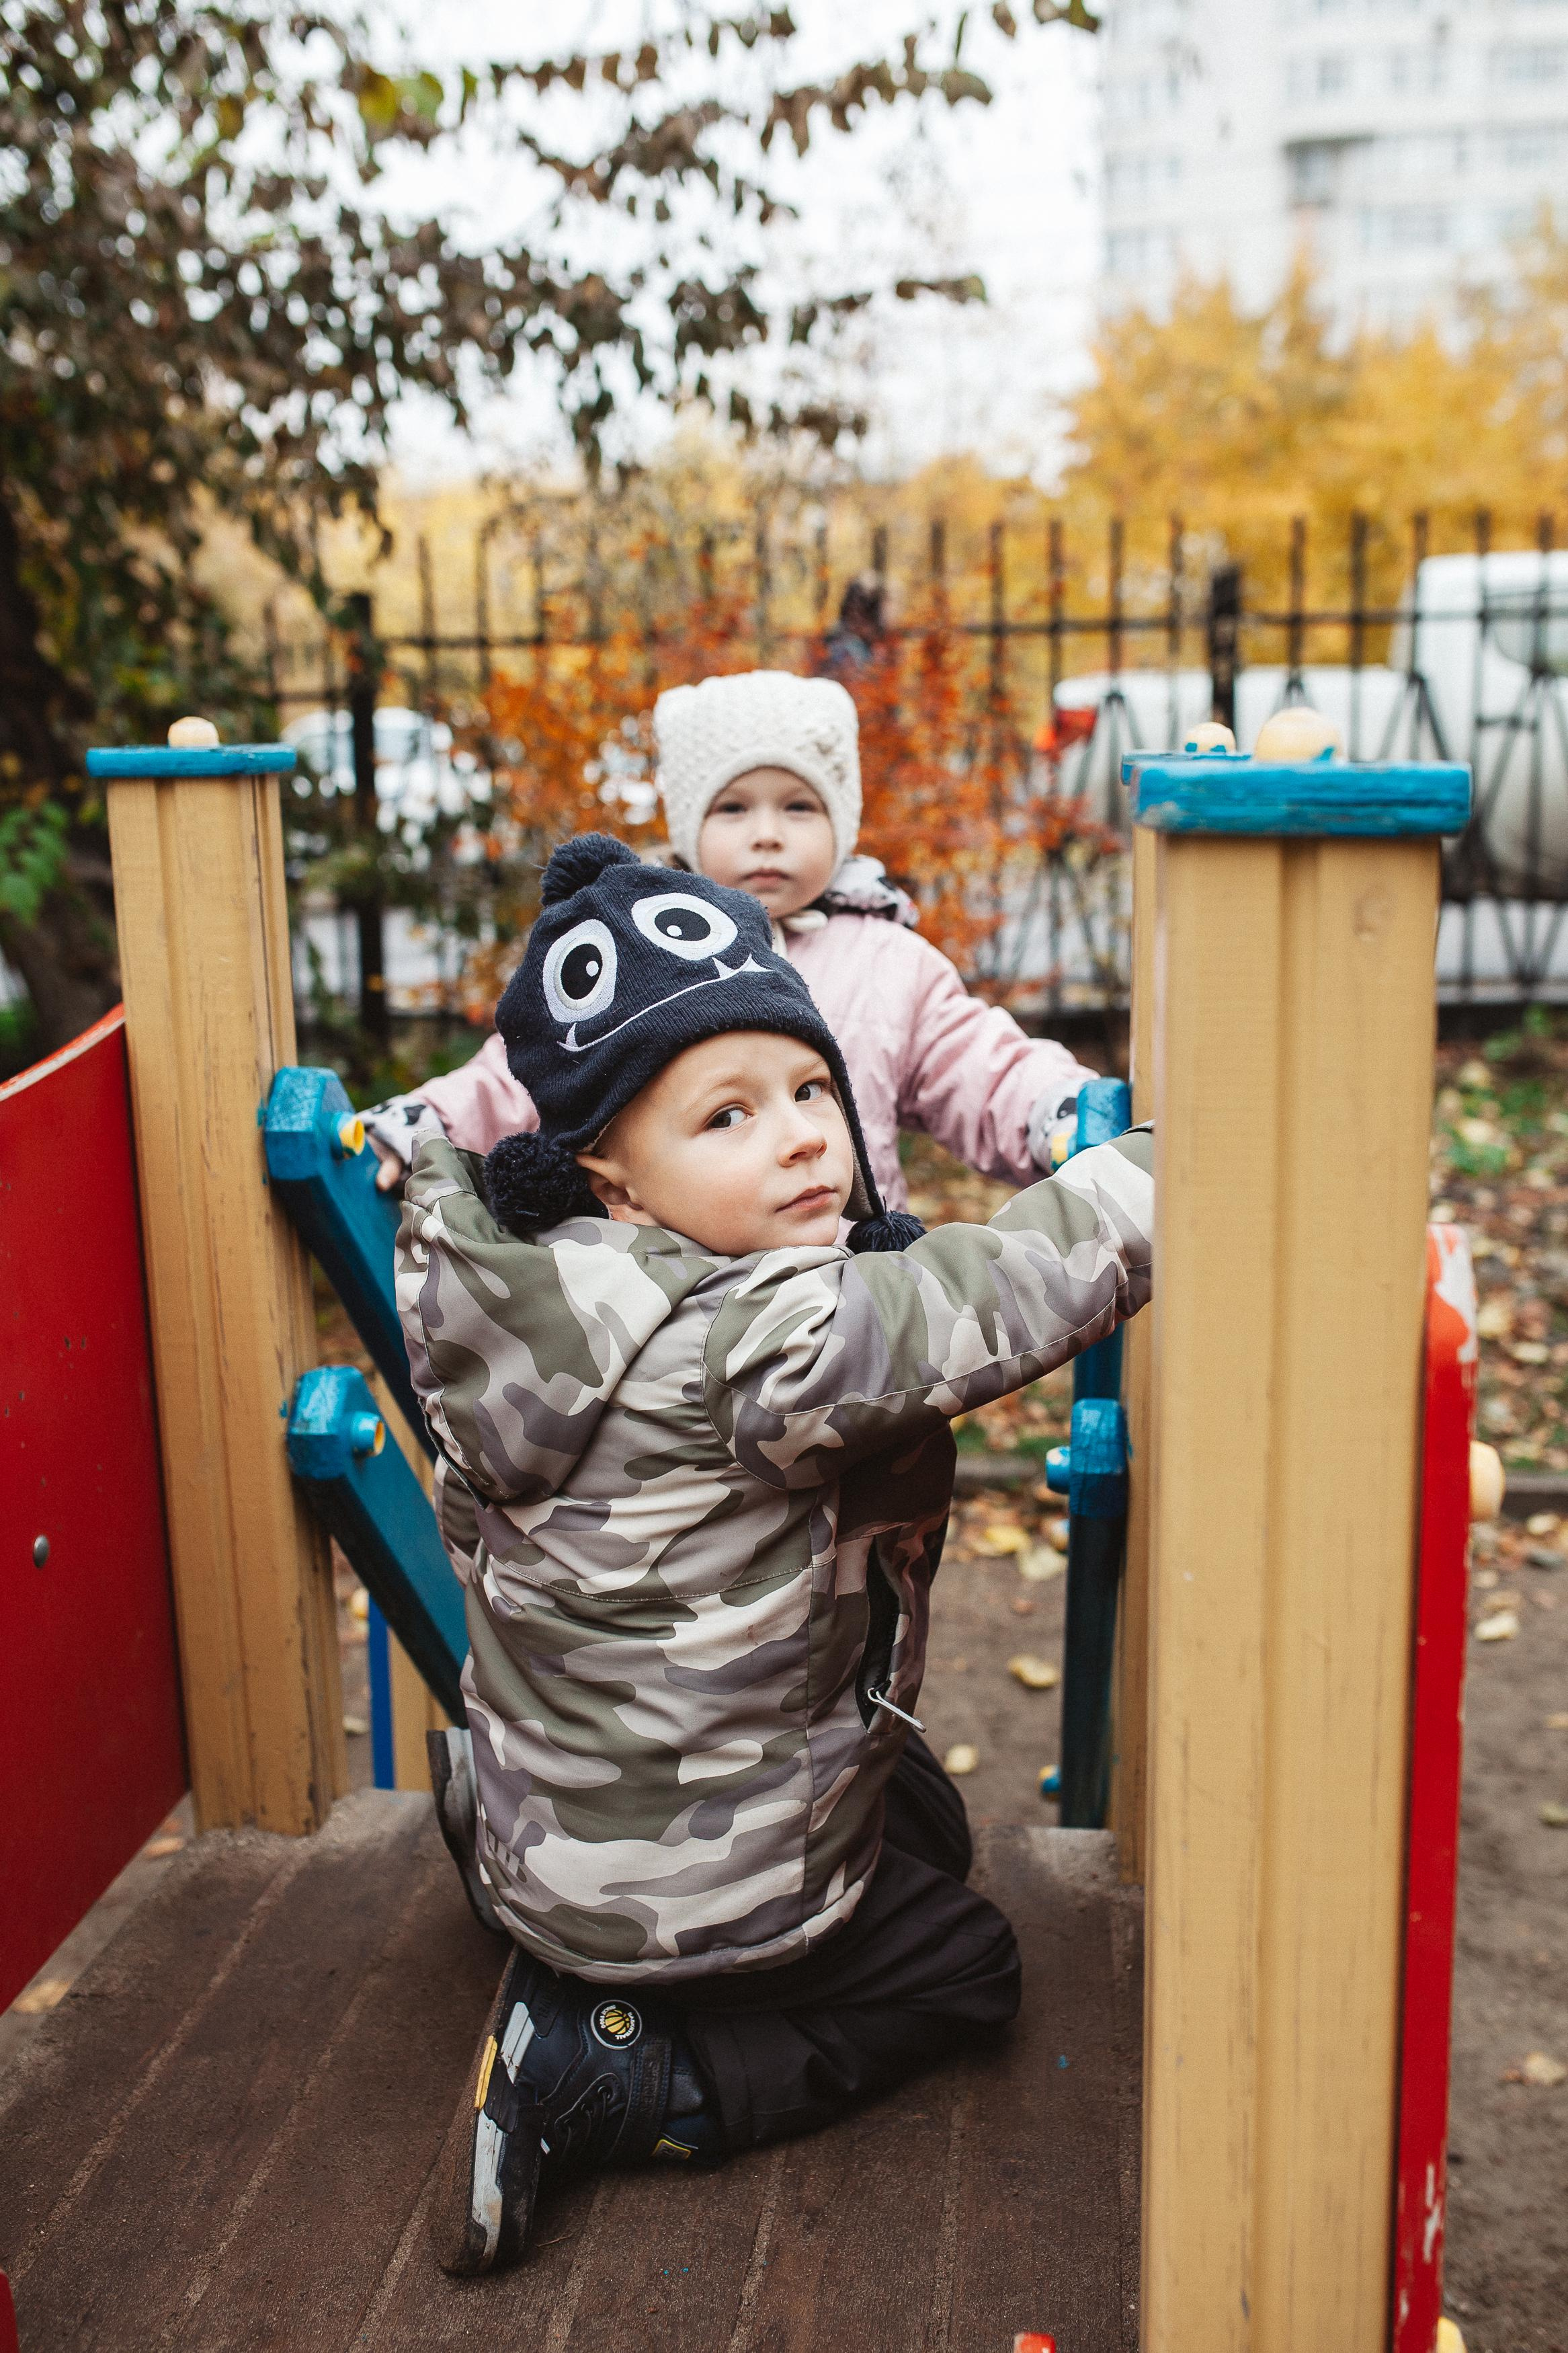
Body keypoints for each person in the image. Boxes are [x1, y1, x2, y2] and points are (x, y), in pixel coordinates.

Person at [398, 833, 1153, 2276]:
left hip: (553, 1805)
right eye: (727, 1117)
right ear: (612, 1173)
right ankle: (609, 2072)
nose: (804, 1133)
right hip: (683, 1879)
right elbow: (982, 1295)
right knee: (966, 1965)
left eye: (809, 1089)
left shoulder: (533, 1307)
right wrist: (1161, 1175)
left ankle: (522, 1865)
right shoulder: (756, 1339)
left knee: (918, 1819)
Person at [366, 668, 1097, 1213]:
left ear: (841, 823)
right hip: (673, 1301)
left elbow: (972, 1063)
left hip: (851, 1291)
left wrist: (1050, 1107)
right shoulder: (635, 953)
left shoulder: (888, 962)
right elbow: (524, 1072)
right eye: (734, 806)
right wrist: (430, 1124)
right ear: (690, 825)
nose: (768, 831)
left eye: (800, 805)